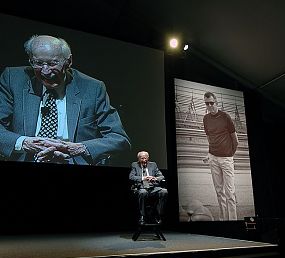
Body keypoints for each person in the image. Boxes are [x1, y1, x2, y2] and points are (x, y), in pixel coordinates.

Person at [0, 35, 130, 165]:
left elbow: (119, 139)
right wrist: (24, 143)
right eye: (38, 63)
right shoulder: (13, 79)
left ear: (69, 61)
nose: (45, 71)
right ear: (30, 60)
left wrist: (79, 148)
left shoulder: (93, 88)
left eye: (52, 63)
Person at [202, 91, 239, 220]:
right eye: (207, 103)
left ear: (216, 102)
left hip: (226, 159)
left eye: (212, 103)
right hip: (213, 158)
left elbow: (235, 139)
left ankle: (233, 221)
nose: (210, 105)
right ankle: (223, 220)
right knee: (219, 192)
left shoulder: (225, 117)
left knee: (230, 192)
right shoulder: (205, 119)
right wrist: (209, 154)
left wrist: (230, 154)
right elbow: (209, 138)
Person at [129, 151, 168, 225]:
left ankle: (158, 214)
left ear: (148, 158)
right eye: (142, 158)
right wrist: (143, 178)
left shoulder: (153, 165)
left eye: (145, 158)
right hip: (141, 187)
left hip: (152, 187)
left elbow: (161, 176)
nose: (144, 160)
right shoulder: (135, 165)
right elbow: (131, 177)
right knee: (143, 193)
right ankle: (142, 216)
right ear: (139, 159)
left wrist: (154, 178)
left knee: (164, 191)